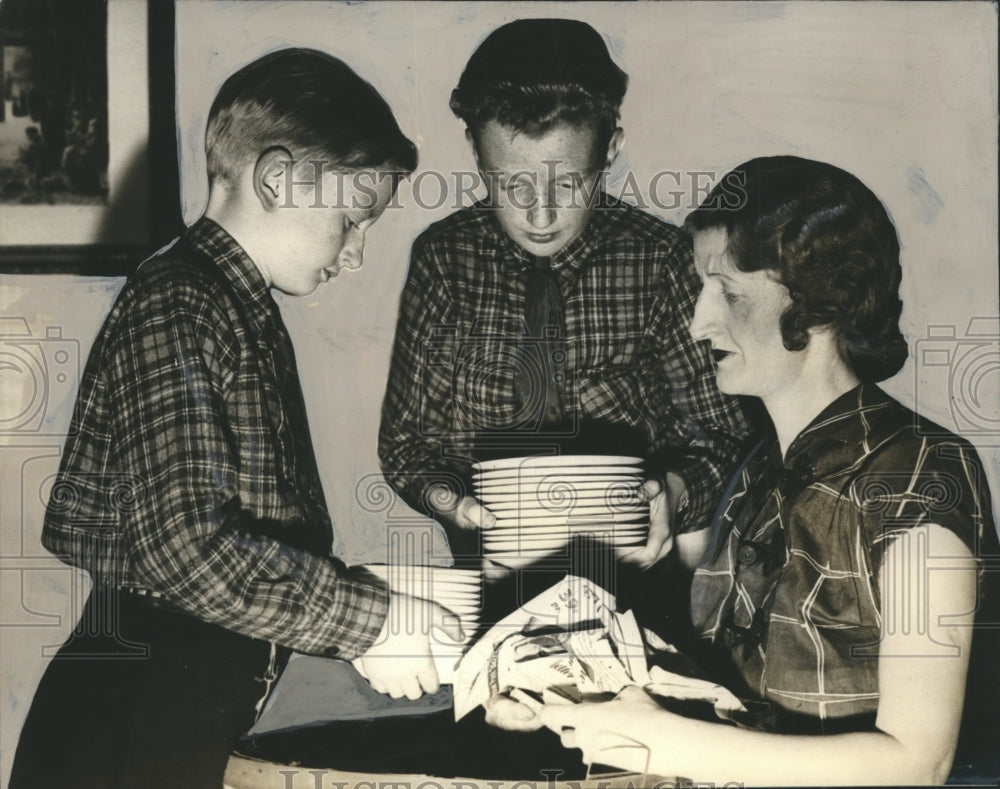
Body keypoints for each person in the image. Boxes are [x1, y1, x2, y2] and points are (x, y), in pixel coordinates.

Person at [10, 49, 463, 789]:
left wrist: (375, 596)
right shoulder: (182, 301)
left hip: (185, 688)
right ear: (280, 179)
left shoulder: (228, 302)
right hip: (139, 704)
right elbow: (187, 549)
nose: (356, 254)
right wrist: (371, 622)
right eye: (353, 220)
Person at [488, 156, 1000, 784]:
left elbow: (919, 762)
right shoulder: (755, 476)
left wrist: (665, 743)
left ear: (813, 306)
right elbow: (725, 700)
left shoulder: (921, 473)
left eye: (726, 292)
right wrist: (562, 689)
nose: (699, 321)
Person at [377, 18, 751, 576]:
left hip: (635, 575)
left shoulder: (660, 258)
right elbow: (408, 446)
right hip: (492, 575)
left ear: (611, 151)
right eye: (514, 186)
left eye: (569, 184)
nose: (541, 216)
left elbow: (721, 434)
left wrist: (672, 492)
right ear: (476, 153)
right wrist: (451, 503)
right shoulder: (444, 259)